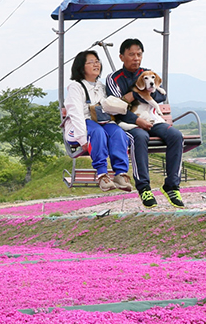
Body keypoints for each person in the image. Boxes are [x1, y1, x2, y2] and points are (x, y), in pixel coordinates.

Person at [106, 38, 185, 208]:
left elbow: (160, 94)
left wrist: (136, 94)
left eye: (139, 54)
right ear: (121, 57)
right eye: (131, 54)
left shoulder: (147, 73)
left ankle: (172, 185)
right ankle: (144, 187)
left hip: (152, 118)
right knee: (140, 137)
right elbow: (116, 106)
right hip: (129, 122)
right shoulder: (114, 79)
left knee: (176, 136)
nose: (136, 58)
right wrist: (137, 120)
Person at [64, 50, 133, 193]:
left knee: (118, 133)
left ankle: (120, 173)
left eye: (97, 61)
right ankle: (102, 174)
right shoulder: (76, 87)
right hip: (85, 122)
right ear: (82, 67)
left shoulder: (100, 86)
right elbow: (76, 113)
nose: (96, 64)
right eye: (91, 62)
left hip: (102, 120)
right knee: (98, 133)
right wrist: (82, 139)